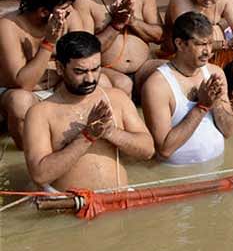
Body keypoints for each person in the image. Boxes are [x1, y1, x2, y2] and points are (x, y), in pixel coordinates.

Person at [23, 32, 154, 192]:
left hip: (120, 201)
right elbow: (40, 175)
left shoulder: (116, 98)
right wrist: (86, 137)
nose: (90, 79)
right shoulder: (40, 113)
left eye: (95, 69)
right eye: (80, 71)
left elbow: (148, 150)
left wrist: (110, 132)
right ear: (59, 68)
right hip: (65, 206)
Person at [1, 0, 85, 149]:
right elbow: (23, 83)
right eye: (63, 9)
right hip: (17, 92)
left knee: (100, 83)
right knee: (20, 102)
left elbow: (83, 61)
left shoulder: (71, 17)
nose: (68, 13)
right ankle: (32, 157)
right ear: (43, 12)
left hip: (59, 85)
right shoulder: (9, 27)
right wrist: (49, 42)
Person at [141, 12, 233, 165]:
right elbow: (164, 149)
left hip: (218, 168)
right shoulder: (157, 85)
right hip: (178, 176)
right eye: (200, 44)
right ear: (180, 44)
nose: (208, 51)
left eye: (210, 43)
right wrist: (202, 107)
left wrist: (216, 103)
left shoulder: (215, 73)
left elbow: (229, 131)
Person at [73, 0, 162, 96]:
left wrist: (133, 21)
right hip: (109, 72)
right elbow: (84, 52)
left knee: (169, 73)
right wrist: (115, 25)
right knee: (123, 84)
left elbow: (160, 36)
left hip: (143, 67)